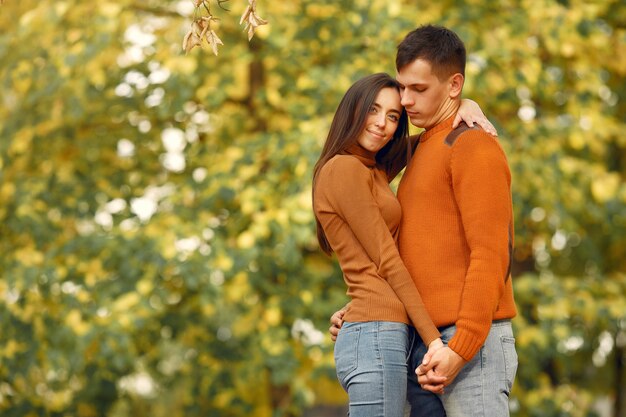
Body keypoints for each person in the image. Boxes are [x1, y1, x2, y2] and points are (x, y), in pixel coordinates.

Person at [330, 25, 518, 417]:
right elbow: (407, 249)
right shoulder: (419, 150)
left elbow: (491, 254)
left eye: (419, 89)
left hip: (468, 346)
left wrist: (460, 347)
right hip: (422, 343)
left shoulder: (473, 146)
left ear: (454, 85)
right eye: (402, 87)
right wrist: (365, 306)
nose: (405, 100)